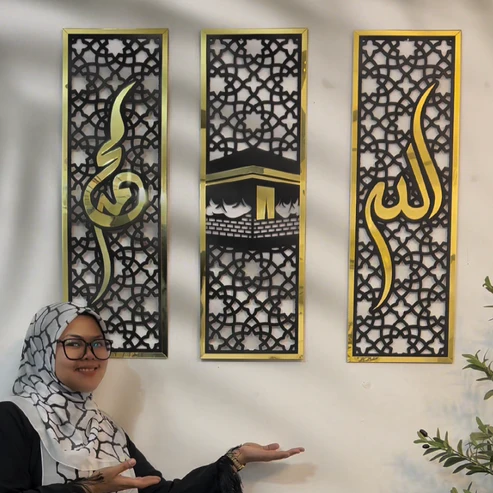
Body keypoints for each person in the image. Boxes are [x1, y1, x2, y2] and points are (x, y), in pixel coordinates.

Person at [0, 302, 304, 493]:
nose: (90, 355)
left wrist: (235, 459)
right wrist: (88, 488)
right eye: (74, 344)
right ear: (42, 351)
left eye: (99, 344)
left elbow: (158, 491)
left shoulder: (104, 428)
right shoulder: (14, 418)